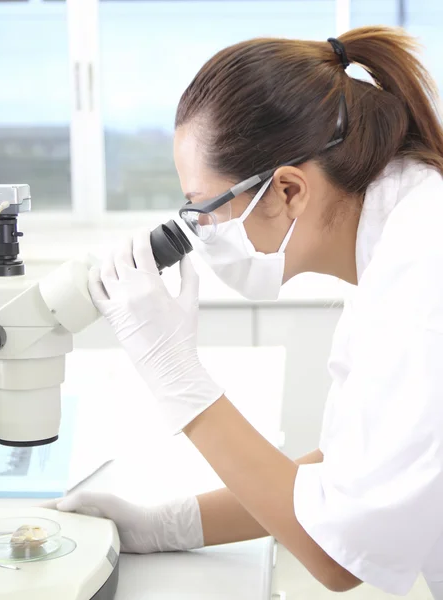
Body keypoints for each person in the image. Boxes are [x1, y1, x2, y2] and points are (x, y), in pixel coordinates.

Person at [53, 26, 443, 596]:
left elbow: (339, 558)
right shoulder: (400, 232)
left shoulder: (419, 283)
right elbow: (346, 476)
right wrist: (168, 524)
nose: (201, 232)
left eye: (204, 208)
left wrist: (176, 376)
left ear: (287, 191)